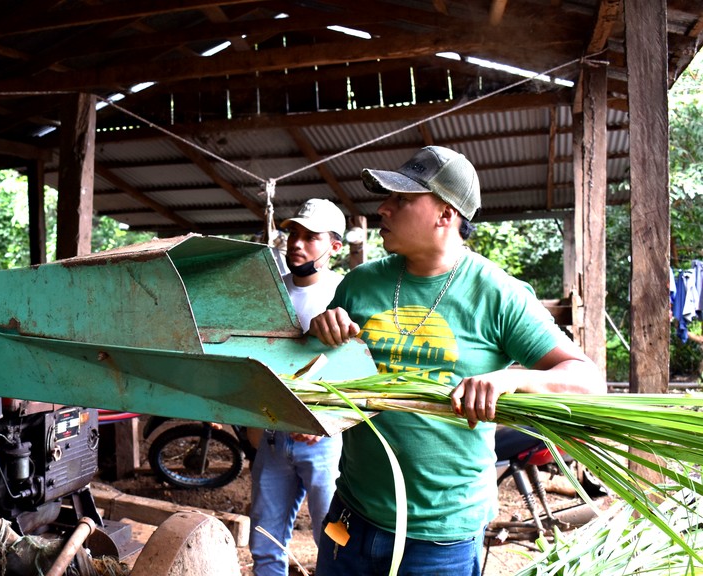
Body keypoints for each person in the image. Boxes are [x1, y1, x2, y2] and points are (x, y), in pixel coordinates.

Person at [307, 146, 604, 575]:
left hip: (440, 538)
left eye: (401, 199)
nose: (383, 208)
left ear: (445, 215)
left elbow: (588, 381)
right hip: (352, 516)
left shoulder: (497, 294)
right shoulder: (359, 284)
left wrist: (509, 380)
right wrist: (323, 333)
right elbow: (322, 373)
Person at [249, 198, 348, 576]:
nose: (296, 244)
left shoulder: (345, 295)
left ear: (334, 247)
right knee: (265, 541)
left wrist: (327, 420)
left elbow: (360, 371)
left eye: (310, 237)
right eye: (293, 234)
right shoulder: (269, 294)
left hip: (326, 442)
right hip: (273, 438)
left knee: (334, 541)